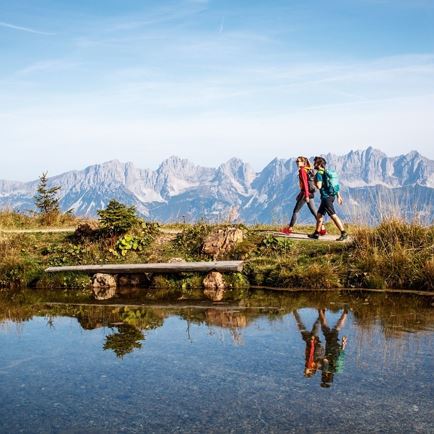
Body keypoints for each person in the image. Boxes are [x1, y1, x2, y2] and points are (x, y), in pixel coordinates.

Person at [281, 156, 326, 236]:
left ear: (303, 162)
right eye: (296, 161)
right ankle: (322, 228)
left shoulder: (302, 170)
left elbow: (305, 183)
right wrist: (302, 194)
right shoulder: (308, 169)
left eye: (299, 161)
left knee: (296, 211)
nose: (297, 163)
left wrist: (306, 195)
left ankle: (289, 229)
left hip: (306, 194)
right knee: (314, 211)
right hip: (309, 193)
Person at [308, 156, 348, 241]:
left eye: (314, 162)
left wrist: (313, 179)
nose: (313, 164)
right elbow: (334, 185)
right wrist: (338, 196)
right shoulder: (327, 172)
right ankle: (316, 233)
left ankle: (343, 233)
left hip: (326, 198)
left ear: (318, 164)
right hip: (331, 196)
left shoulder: (319, 173)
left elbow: (318, 186)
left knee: (333, 216)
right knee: (319, 215)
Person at [318, 307, 348, 388]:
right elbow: (325, 360)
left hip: (334, 345)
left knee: (335, 329)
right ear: (326, 377)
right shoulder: (325, 369)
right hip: (331, 344)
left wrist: (343, 344)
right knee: (327, 328)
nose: (322, 376)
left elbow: (341, 357)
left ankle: (344, 313)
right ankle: (320, 310)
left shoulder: (338, 370)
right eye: (323, 378)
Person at [293, 309, 325, 378]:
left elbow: (310, 353)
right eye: (306, 372)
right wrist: (312, 342)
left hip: (312, 342)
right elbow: (311, 353)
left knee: (315, 325)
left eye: (305, 372)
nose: (304, 371)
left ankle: (322, 312)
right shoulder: (309, 364)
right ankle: (294, 311)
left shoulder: (314, 364)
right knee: (302, 326)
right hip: (311, 341)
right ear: (311, 370)